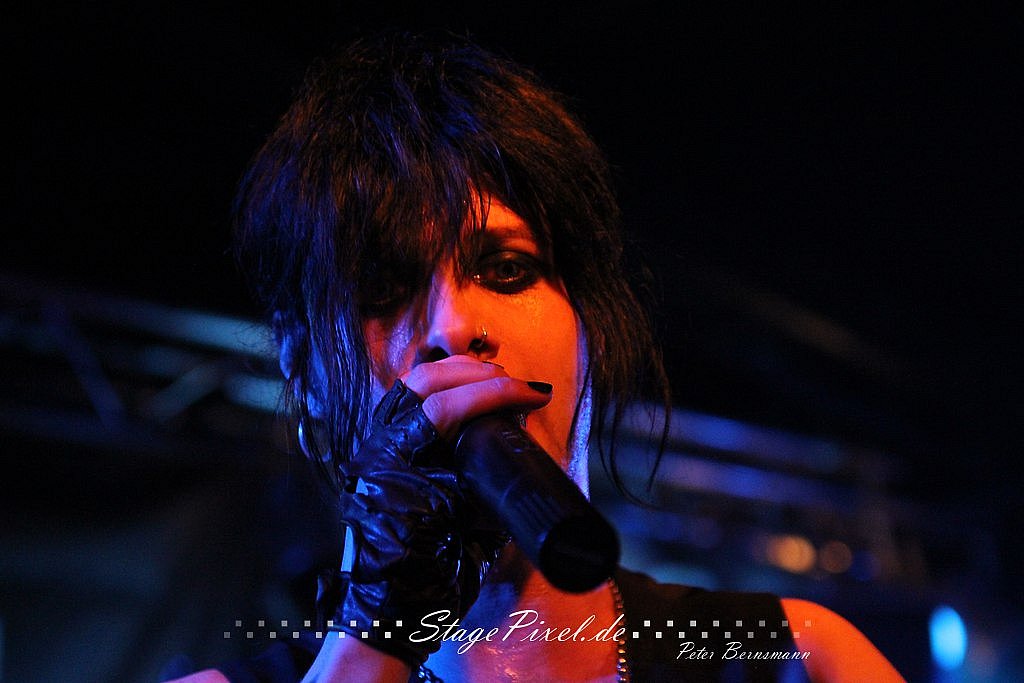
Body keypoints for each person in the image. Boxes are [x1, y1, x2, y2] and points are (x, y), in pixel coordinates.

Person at [169, 30, 903, 682]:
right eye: (383, 289)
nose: (454, 328)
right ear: (305, 371)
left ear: (593, 330)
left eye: (507, 269)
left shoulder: (797, 658)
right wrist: (376, 633)